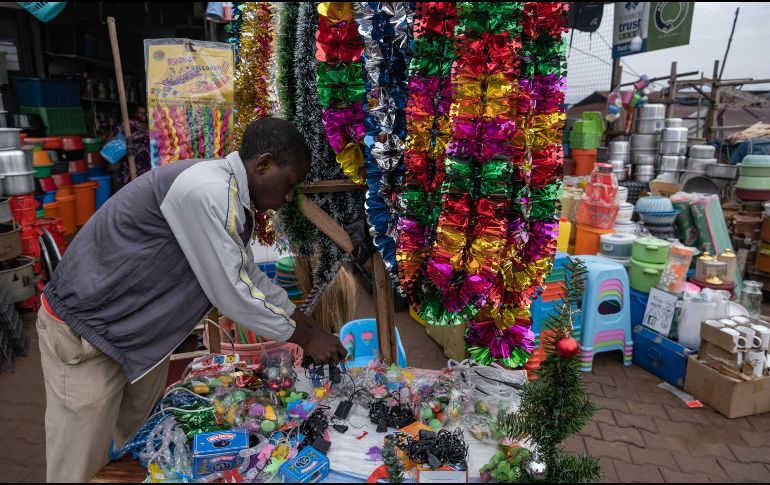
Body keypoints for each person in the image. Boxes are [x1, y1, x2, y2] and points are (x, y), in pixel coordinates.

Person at [38, 118, 347, 482]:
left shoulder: (230, 196)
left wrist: (303, 320)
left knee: (143, 447)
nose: (288, 197)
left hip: (139, 339)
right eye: (289, 184)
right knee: (77, 465)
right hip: (89, 333)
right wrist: (306, 338)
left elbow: (248, 274)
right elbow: (231, 291)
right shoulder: (206, 190)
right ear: (263, 164)